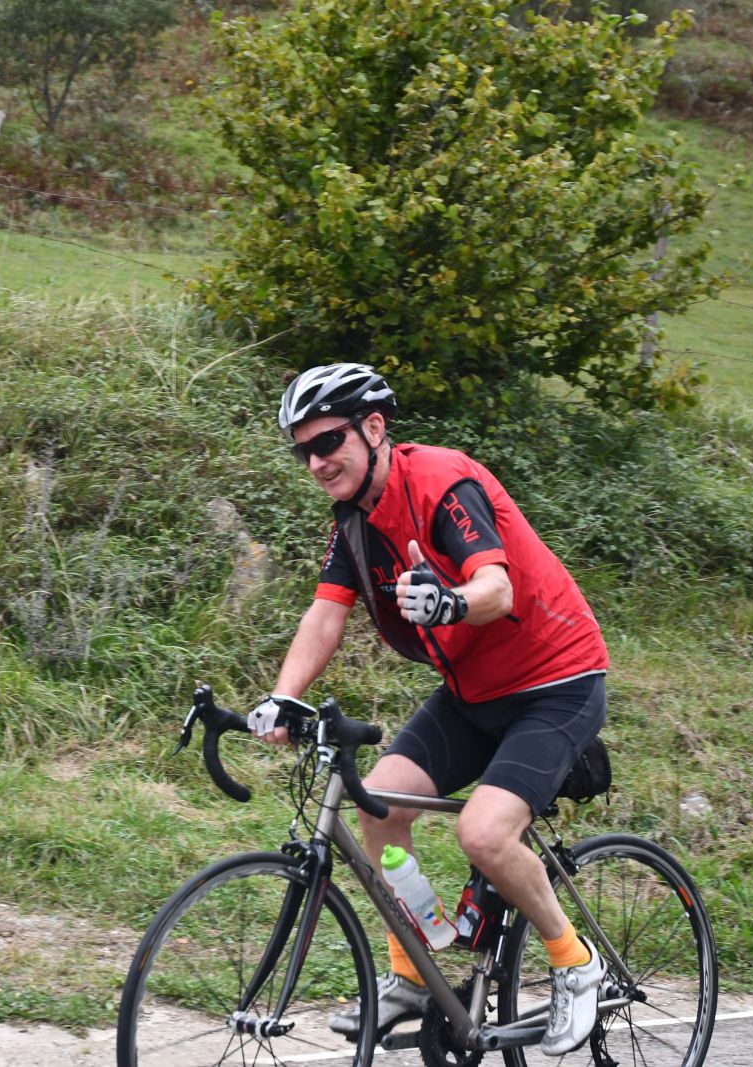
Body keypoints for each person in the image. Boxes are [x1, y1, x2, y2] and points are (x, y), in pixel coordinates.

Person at [247, 363, 611, 1057]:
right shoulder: (353, 523)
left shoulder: (443, 484)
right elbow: (325, 616)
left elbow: (496, 589)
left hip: (557, 679)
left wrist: (448, 601)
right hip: (474, 689)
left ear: (374, 428)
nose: (318, 461)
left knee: (484, 831)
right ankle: (413, 973)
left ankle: (574, 961)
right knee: (380, 802)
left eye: (329, 442)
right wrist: (282, 694)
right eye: (305, 450)